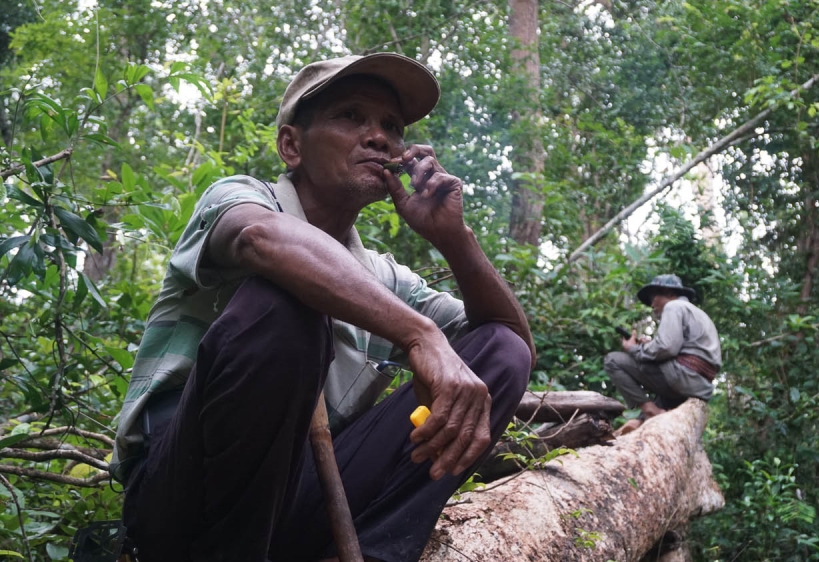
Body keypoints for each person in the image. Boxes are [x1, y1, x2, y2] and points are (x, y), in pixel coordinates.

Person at [110, 52, 535, 562]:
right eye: (351, 116)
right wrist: (421, 336)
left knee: (500, 353)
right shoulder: (243, 198)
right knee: (282, 304)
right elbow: (259, 239)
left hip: (296, 502)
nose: (378, 136)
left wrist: (455, 239)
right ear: (292, 145)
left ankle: (371, 553)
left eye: (391, 126)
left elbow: (512, 345)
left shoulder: (383, 277)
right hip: (180, 497)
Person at [604, 274, 719, 434]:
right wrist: (649, 346)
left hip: (683, 376)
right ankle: (638, 421)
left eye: (653, 298)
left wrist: (633, 349)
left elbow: (667, 348)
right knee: (659, 379)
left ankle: (650, 411)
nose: (651, 305)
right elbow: (677, 348)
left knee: (613, 360)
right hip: (700, 385)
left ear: (669, 293)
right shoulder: (697, 313)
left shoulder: (673, 306)